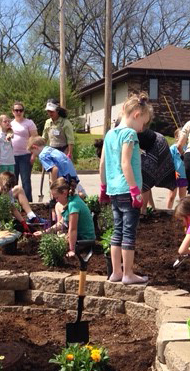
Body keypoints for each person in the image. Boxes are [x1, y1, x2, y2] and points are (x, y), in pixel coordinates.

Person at [99, 92, 152, 284]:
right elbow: (125, 163)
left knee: (117, 231)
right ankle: (128, 274)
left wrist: (103, 186)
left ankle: (116, 272)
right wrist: (135, 191)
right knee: (129, 232)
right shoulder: (129, 134)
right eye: (143, 124)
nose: (142, 128)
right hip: (128, 191)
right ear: (137, 115)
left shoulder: (110, 134)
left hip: (114, 190)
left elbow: (103, 163)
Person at [34, 178, 95, 257]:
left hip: (85, 240)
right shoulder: (71, 201)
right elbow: (61, 223)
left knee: (56, 246)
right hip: (79, 237)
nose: (56, 200)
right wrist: (44, 232)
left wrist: (72, 250)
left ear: (65, 193)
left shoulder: (73, 205)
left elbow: (73, 229)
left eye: (57, 197)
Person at [137, 128, 176, 216]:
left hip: (156, 143)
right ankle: (151, 207)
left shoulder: (128, 131)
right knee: (146, 178)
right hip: (149, 144)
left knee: (146, 178)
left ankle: (143, 212)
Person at [10, 101, 38, 201]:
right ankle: (14, 202)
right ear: (13, 112)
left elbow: (35, 140)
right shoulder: (10, 123)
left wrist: (33, 155)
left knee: (26, 180)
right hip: (12, 156)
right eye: (16, 110)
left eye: (20, 110)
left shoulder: (29, 123)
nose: (18, 112)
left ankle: (28, 203)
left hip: (25, 155)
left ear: (23, 111)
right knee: (13, 181)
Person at [167, 129, 188, 209]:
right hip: (174, 176)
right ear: (176, 137)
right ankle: (168, 210)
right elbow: (169, 162)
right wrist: (173, 172)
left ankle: (181, 213)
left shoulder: (187, 148)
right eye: (181, 136)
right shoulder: (172, 148)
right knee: (172, 195)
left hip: (184, 176)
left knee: (182, 198)